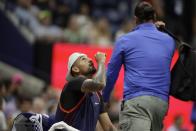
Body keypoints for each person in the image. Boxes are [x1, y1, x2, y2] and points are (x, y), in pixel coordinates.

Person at [103, 1, 175, 131]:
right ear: (155, 18)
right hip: (161, 104)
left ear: (135, 19)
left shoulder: (125, 41)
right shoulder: (169, 41)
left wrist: (105, 98)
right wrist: (155, 29)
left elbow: (110, 74)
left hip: (137, 103)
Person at [55, 52, 116, 131]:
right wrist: (101, 62)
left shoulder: (97, 94)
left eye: (88, 58)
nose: (90, 60)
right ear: (75, 69)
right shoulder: (73, 84)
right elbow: (100, 83)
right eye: (83, 59)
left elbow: (109, 128)